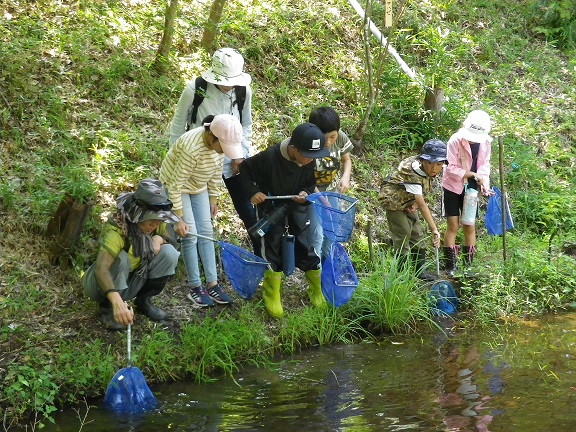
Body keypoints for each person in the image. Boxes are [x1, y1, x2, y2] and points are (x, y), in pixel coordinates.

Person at [168, 47, 259, 252]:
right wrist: (176, 158)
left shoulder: (244, 90)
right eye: (225, 82)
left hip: (232, 159)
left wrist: (241, 155)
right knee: (194, 212)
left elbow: (246, 124)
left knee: (246, 208)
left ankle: (262, 251)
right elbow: (178, 125)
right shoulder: (195, 89)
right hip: (198, 160)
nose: (228, 86)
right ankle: (183, 251)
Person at [239, 123, 330, 318]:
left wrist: (305, 192)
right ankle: (272, 295)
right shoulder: (270, 157)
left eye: (313, 156)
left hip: (297, 208)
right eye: (306, 155)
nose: (310, 160)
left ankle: (316, 290)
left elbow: (310, 181)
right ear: (293, 148)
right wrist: (253, 192)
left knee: (306, 247)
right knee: (271, 249)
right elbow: (244, 170)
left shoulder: (309, 158)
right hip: (270, 210)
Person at [160, 114, 243, 307]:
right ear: (212, 137)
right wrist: (178, 218)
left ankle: (212, 284)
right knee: (191, 234)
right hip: (177, 186)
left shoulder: (218, 147)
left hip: (198, 186)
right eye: (223, 147)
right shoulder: (192, 149)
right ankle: (195, 287)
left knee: (206, 231)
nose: (224, 152)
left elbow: (215, 173)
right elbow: (174, 185)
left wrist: (213, 198)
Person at [82, 179, 181, 331]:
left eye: (158, 221)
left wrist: (158, 238)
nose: (155, 225)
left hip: (133, 277)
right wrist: (116, 301)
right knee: (121, 258)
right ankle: (108, 307)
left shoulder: (157, 224)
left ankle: (143, 301)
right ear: (138, 216)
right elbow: (101, 269)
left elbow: (172, 240)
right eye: (150, 221)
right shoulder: (117, 229)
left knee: (169, 253)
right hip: (101, 283)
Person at [378, 139, 447, 281]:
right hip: (394, 202)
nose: (434, 168)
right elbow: (422, 204)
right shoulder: (413, 173)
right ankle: (402, 276)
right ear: (422, 160)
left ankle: (419, 272)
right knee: (403, 234)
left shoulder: (426, 170)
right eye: (430, 163)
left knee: (417, 233)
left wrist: (415, 203)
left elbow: (419, 196)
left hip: (409, 200)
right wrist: (434, 229)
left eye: (439, 164)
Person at [442, 110, 493, 277]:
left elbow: (484, 166)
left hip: (471, 189)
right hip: (452, 186)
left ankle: (468, 266)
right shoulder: (455, 140)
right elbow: (450, 168)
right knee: (453, 225)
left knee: (469, 226)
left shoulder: (485, 143)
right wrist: (471, 174)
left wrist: (484, 184)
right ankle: (450, 266)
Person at [307, 106, 354, 260]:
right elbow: (305, 176)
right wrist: (321, 199)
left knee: (331, 231)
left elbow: (346, 160)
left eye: (332, 137)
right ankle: (316, 269)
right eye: (323, 137)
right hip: (312, 194)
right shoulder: (308, 140)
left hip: (332, 191)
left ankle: (328, 264)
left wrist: (345, 176)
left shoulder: (340, 137)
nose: (328, 142)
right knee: (317, 234)